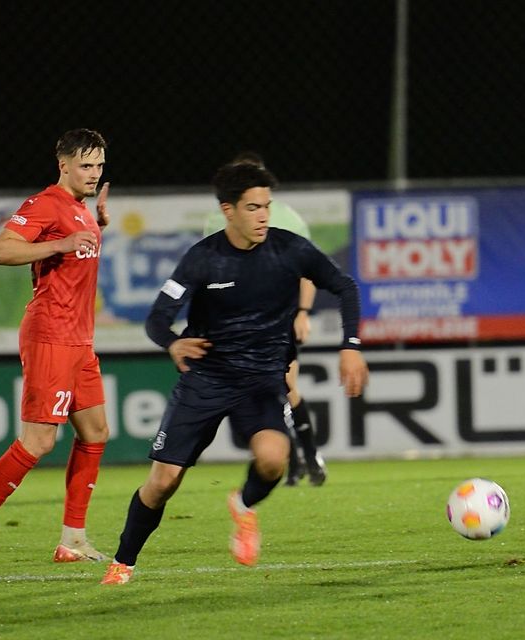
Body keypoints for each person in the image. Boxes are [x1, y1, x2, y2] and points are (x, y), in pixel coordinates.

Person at [100, 161, 368, 585]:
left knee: (273, 460)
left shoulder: (290, 249)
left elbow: (346, 286)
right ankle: (123, 561)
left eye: (267, 206)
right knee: (163, 482)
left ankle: (243, 506)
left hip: (262, 380)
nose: (263, 216)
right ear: (228, 210)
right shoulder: (203, 259)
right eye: (253, 208)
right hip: (206, 379)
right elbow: (157, 317)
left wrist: (350, 346)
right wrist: (172, 342)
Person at [0, 129, 111, 568]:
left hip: (80, 340)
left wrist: (96, 227)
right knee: (39, 440)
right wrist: (61, 242)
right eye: (85, 165)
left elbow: (74, 256)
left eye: (99, 165)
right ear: (63, 165)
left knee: (95, 432)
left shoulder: (81, 210)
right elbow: (0, 251)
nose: (94, 173)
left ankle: (73, 540)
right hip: (51, 335)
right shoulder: (45, 203)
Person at [203, 152, 327, 487]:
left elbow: (308, 270)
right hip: (235, 325)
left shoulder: (287, 218)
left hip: (278, 317)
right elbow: (209, 272)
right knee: (263, 392)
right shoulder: (216, 221)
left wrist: (302, 312)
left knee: (285, 385)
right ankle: (294, 459)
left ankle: (308, 456)